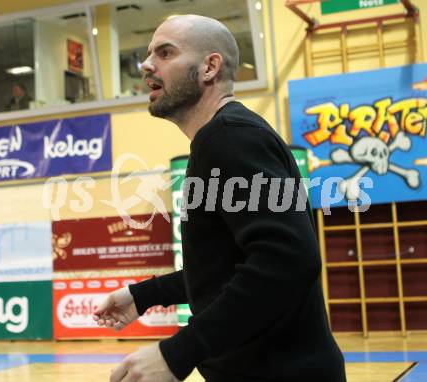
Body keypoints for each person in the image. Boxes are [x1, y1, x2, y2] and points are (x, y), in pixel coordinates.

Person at [93, 14, 347, 382]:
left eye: (165, 53)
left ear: (209, 67)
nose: (147, 64)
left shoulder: (229, 138)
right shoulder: (224, 139)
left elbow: (287, 260)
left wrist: (177, 353)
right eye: (148, 54)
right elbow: (227, 267)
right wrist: (144, 294)